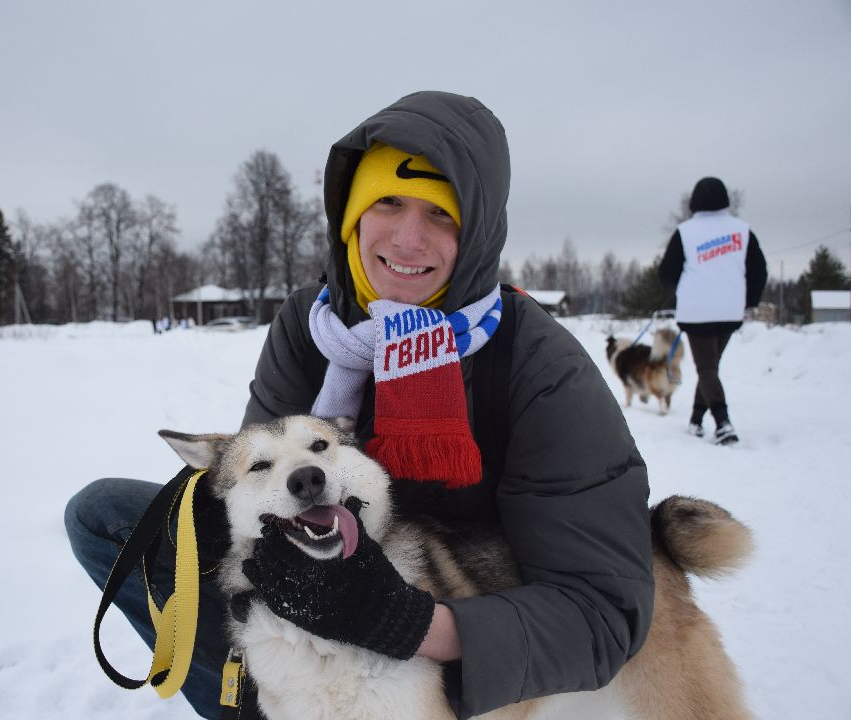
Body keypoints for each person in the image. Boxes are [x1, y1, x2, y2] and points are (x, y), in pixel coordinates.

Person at [65, 91, 654, 719]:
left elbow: (602, 613)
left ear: (479, 233)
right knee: (107, 516)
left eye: (442, 215)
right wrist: (233, 523)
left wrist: (410, 623)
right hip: (322, 594)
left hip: (467, 620)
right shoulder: (311, 325)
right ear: (351, 213)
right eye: (389, 202)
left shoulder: (539, 364)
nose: (408, 237)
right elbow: (261, 483)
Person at [658, 177, 768, 445]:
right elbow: (759, 271)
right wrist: (747, 300)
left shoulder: (686, 232)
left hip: (697, 312)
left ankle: (722, 423)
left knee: (707, 367)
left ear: (694, 201)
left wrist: (682, 290)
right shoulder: (742, 231)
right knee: (710, 367)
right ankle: (696, 420)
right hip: (730, 311)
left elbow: (666, 274)